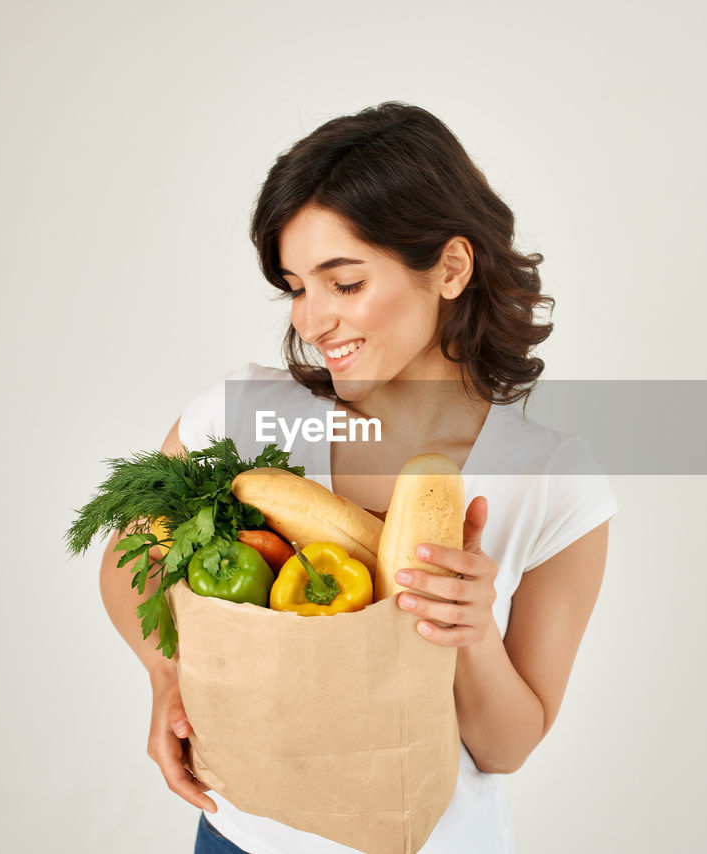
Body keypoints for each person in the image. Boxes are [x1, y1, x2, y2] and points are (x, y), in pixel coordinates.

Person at [98, 101, 617, 853]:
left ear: (449, 266)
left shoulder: (552, 481)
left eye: (343, 285)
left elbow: (506, 749)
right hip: (242, 833)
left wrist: (471, 631)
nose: (311, 321)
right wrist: (167, 676)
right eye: (296, 287)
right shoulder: (241, 414)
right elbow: (128, 556)